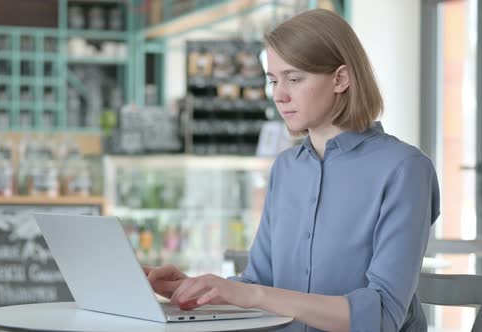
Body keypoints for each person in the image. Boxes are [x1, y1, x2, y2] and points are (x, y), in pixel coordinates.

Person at [144, 8, 440, 332]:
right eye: (273, 80)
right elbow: (260, 282)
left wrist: (251, 293)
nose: (279, 95)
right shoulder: (286, 168)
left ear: (341, 78)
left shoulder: (404, 169)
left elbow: (382, 315)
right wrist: (195, 289)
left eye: (294, 78)